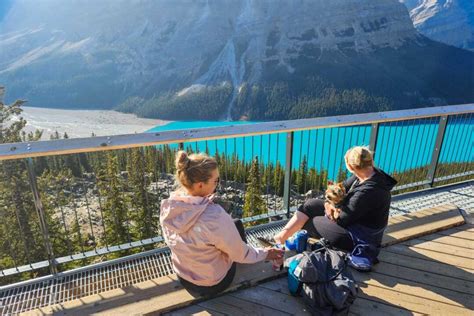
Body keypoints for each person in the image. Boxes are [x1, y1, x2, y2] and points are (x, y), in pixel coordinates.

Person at [160, 151, 283, 296]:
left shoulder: (170, 206)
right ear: (200, 185)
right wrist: (266, 254)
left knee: (233, 224)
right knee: (235, 227)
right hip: (213, 283)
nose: (218, 184)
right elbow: (240, 254)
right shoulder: (214, 216)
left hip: (184, 276)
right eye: (215, 181)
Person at [274, 146, 397, 263]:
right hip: (352, 220)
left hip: (359, 238)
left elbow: (341, 220)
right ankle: (281, 238)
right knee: (309, 205)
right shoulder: (367, 173)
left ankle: (297, 244)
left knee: (311, 222)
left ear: (350, 166)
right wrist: (329, 205)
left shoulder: (367, 191)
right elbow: (341, 186)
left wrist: (328, 207)